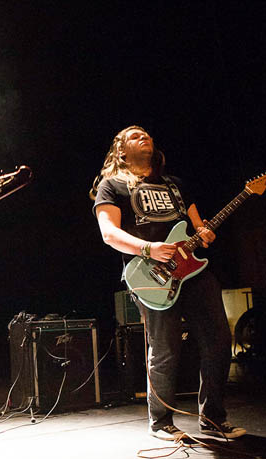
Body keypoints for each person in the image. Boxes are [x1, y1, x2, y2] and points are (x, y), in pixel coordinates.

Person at [92, 126, 245, 442]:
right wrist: (148, 248)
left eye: (146, 134)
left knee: (218, 340)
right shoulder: (112, 186)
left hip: (193, 271)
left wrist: (204, 233)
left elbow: (197, 225)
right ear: (121, 151)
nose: (143, 136)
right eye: (134, 136)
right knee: (164, 349)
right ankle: (161, 422)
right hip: (149, 274)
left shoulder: (176, 186)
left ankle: (213, 417)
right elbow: (109, 233)